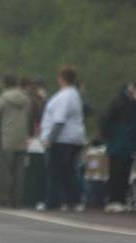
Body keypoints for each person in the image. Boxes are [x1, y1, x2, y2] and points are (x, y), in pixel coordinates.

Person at [40, 65, 87, 211]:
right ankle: (73, 200)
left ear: (61, 78)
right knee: (69, 171)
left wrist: (49, 138)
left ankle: (52, 201)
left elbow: (59, 120)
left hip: (62, 139)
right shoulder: (74, 94)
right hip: (74, 138)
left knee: (54, 171)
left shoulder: (64, 96)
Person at [0, 74, 34, 207]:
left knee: (4, 171)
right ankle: (17, 200)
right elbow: (30, 118)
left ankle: (3, 199)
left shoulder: (2, 99)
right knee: (19, 172)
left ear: (4, 83)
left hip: (5, 140)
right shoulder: (27, 100)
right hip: (21, 140)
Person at [100, 82, 136, 212]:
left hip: (128, 146)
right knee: (116, 172)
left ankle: (120, 200)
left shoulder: (132, 104)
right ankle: (113, 200)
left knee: (125, 173)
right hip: (118, 144)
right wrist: (109, 136)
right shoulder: (118, 102)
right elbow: (105, 120)